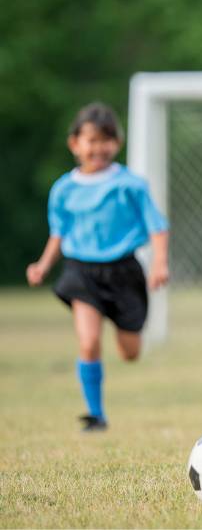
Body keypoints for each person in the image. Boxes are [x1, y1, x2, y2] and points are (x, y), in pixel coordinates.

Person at [26, 102, 169, 432]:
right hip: (82, 273)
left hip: (124, 272)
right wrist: (43, 265)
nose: (99, 148)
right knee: (88, 342)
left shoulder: (130, 185)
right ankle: (96, 415)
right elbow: (58, 233)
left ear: (116, 144)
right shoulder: (63, 189)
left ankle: (123, 325)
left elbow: (157, 226)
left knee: (130, 352)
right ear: (75, 143)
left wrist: (159, 262)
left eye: (106, 140)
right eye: (91, 140)